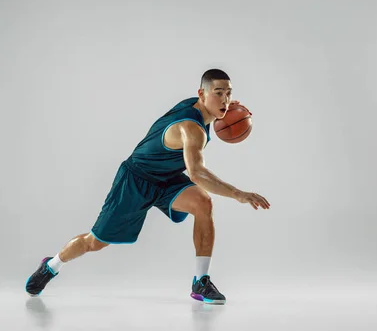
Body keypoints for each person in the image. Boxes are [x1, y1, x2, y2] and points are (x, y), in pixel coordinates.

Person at [24, 69, 270, 304]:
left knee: (203, 203)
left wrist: (224, 104)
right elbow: (196, 173)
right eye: (218, 92)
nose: (225, 99)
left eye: (228, 93)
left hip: (166, 179)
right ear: (201, 94)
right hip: (135, 180)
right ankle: (52, 265)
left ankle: (201, 281)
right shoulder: (191, 129)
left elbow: (212, 107)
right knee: (94, 242)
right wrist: (239, 194)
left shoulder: (203, 109)